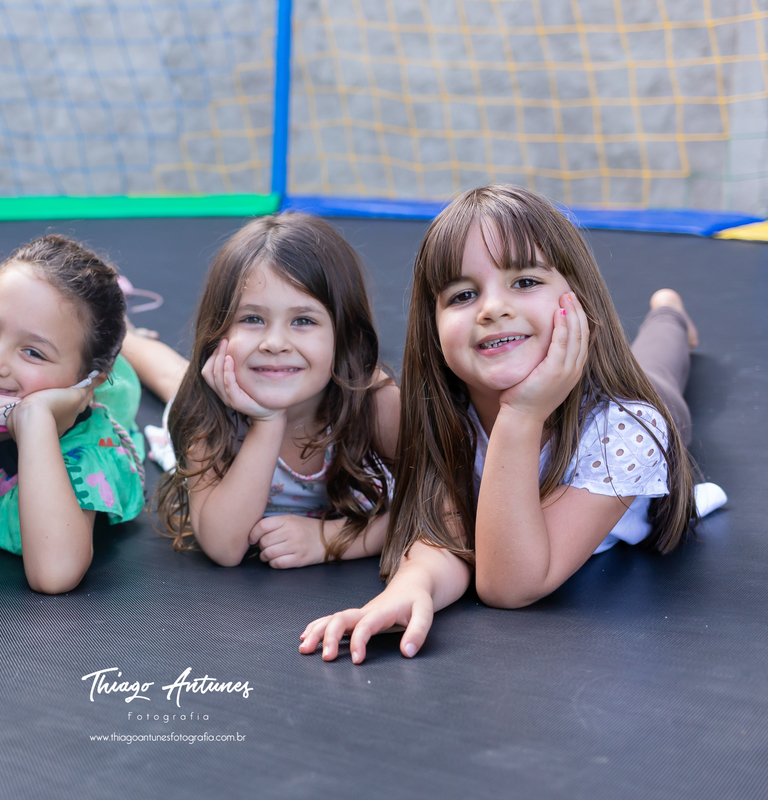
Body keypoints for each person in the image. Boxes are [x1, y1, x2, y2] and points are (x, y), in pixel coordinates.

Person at [300, 184, 726, 663]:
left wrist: (522, 414)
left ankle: (668, 311)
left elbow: (510, 585)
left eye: (524, 282)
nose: (492, 309)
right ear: (432, 329)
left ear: (578, 297)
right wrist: (410, 587)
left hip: (637, 409)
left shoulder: (626, 427)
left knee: (659, 365)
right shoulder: (446, 415)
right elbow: (448, 534)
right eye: (463, 294)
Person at [139, 212, 399, 569]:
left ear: (345, 336)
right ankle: (126, 337)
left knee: (173, 375)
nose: (275, 342)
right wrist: (267, 421)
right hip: (230, 397)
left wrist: (330, 540)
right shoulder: (206, 411)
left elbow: (441, 508)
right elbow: (224, 547)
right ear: (218, 332)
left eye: (303, 320)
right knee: (174, 379)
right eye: (252, 318)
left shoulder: (377, 405)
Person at [0, 235, 145, 594]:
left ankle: (138, 340)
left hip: (116, 392)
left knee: (144, 376)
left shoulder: (87, 452)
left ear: (87, 381)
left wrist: (36, 416)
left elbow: (54, 573)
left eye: (33, 353)